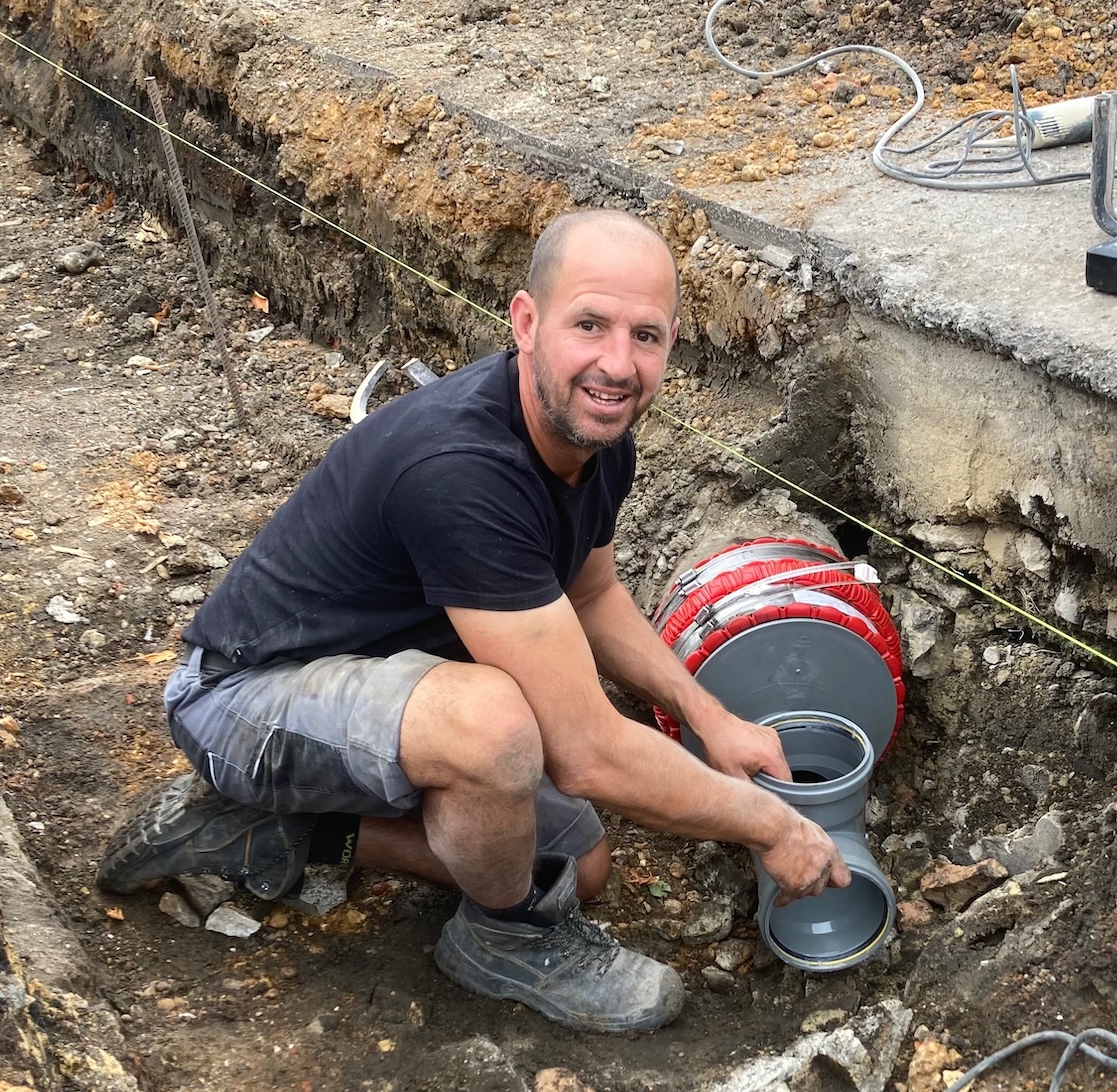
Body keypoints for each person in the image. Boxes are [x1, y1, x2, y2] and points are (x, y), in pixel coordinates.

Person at [97, 208, 849, 1034]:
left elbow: (592, 594)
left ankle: (272, 834)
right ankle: (506, 939)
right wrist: (774, 825)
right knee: (495, 728)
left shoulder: (596, 436)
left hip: (374, 687)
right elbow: (590, 754)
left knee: (576, 862)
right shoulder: (463, 471)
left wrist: (712, 718)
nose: (617, 363)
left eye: (647, 335)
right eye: (589, 325)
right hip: (241, 699)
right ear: (526, 323)